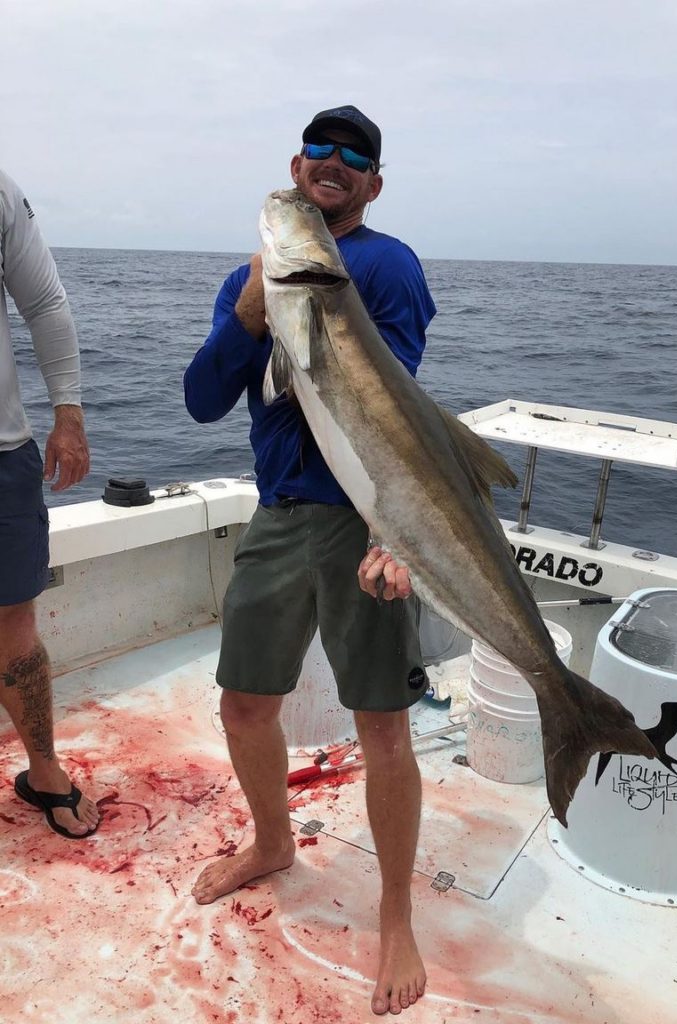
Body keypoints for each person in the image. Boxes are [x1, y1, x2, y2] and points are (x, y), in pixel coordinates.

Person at [184, 105, 436, 1016]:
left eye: (354, 158)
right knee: (245, 702)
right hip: (278, 515)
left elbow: (391, 406)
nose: (333, 164)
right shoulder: (247, 278)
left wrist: (392, 530)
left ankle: (397, 915)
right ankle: (271, 841)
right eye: (318, 151)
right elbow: (204, 400)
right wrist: (250, 314)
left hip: (357, 522)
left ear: (372, 183)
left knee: (381, 727)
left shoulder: (384, 265)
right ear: (296, 167)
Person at [0, 168, 99, 839]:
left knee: (15, 619)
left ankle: (44, 770)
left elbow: (45, 304)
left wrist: (68, 412)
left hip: (2, 453)